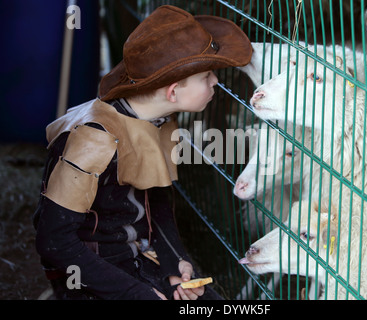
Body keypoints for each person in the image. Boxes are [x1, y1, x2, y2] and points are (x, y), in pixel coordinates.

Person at [33, 5, 252, 300]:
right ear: (173, 92)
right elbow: (55, 242)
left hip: (136, 255)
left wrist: (175, 263)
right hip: (89, 271)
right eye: (207, 75)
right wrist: (138, 294)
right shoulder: (95, 139)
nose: (215, 82)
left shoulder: (158, 121)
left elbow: (157, 201)